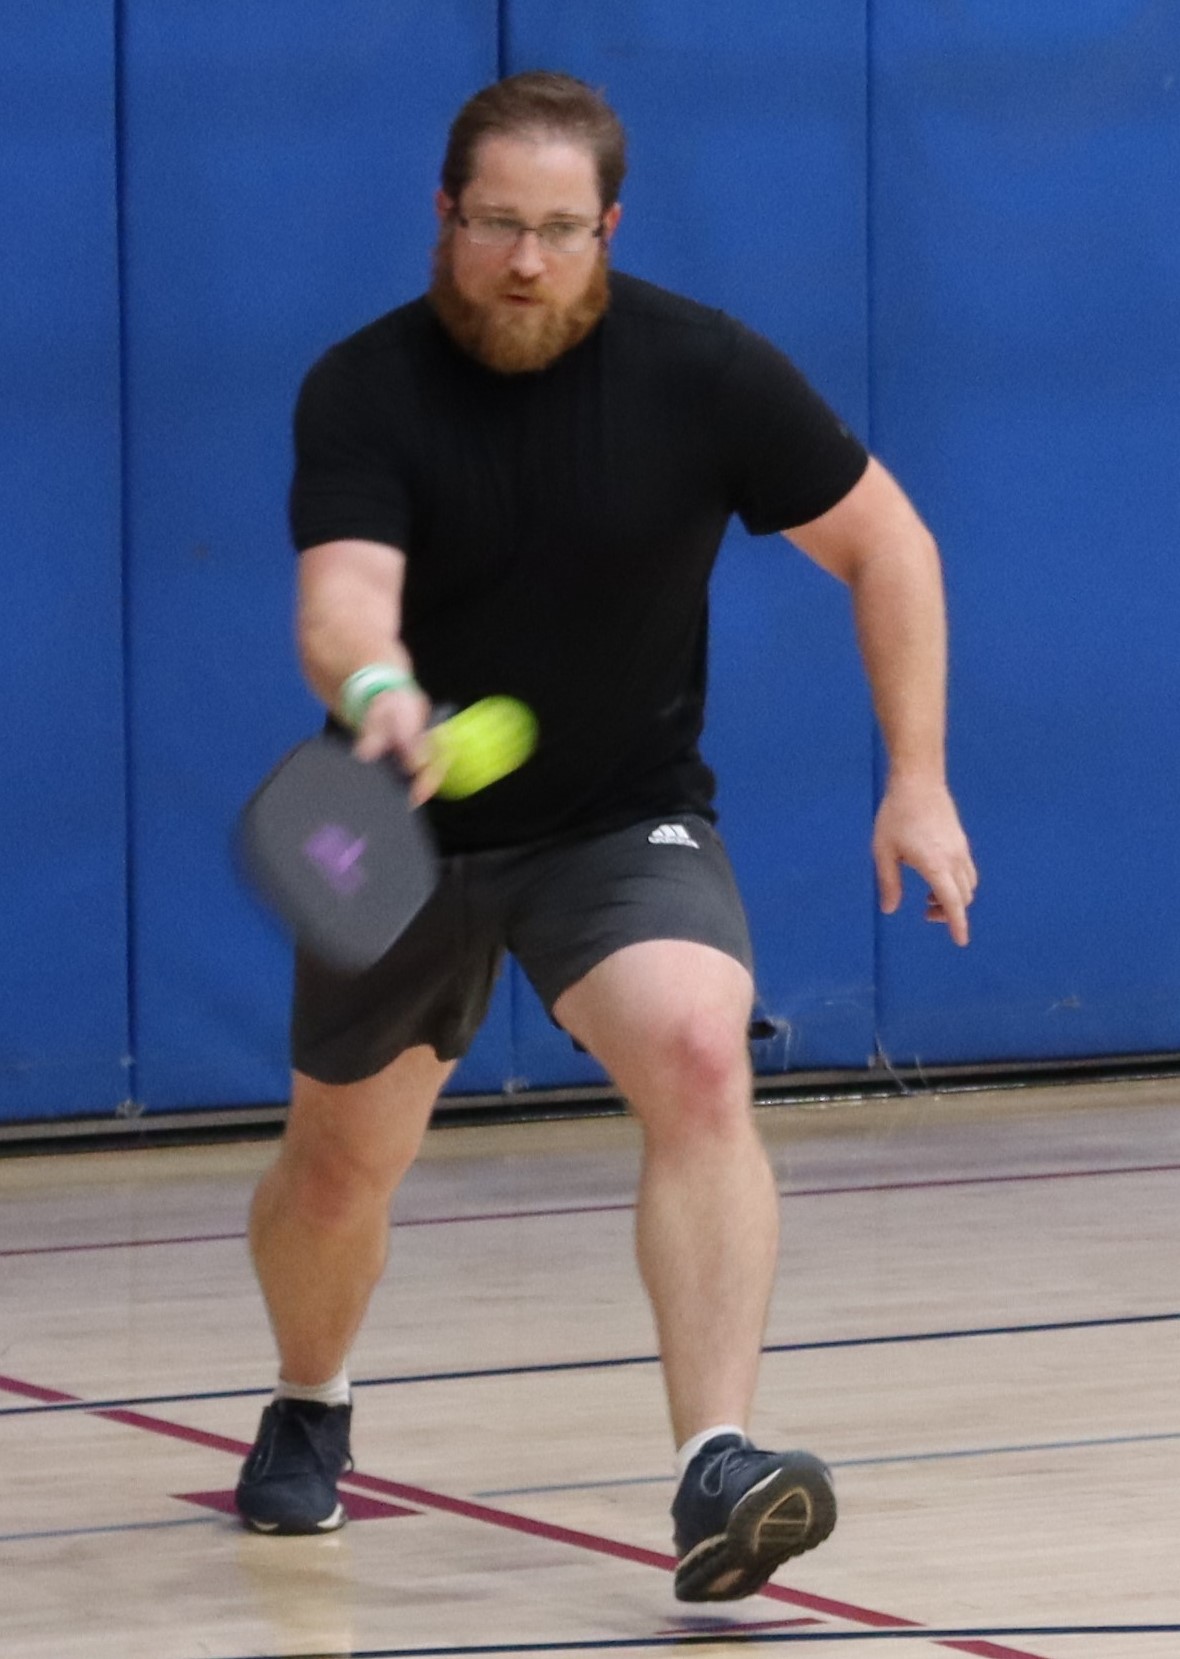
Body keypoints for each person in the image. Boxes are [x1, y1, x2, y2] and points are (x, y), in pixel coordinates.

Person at [235, 71, 976, 1601]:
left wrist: (919, 777)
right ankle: (311, 1398)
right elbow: (338, 600)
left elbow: (887, 540)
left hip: (618, 813)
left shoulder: (702, 371)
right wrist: (378, 689)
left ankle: (717, 1463)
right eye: (497, 224)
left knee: (702, 1054)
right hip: (378, 815)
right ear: (444, 216)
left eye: (559, 229)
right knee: (334, 1169)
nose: (525, 259)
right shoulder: (363, 386)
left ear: (608, 227)